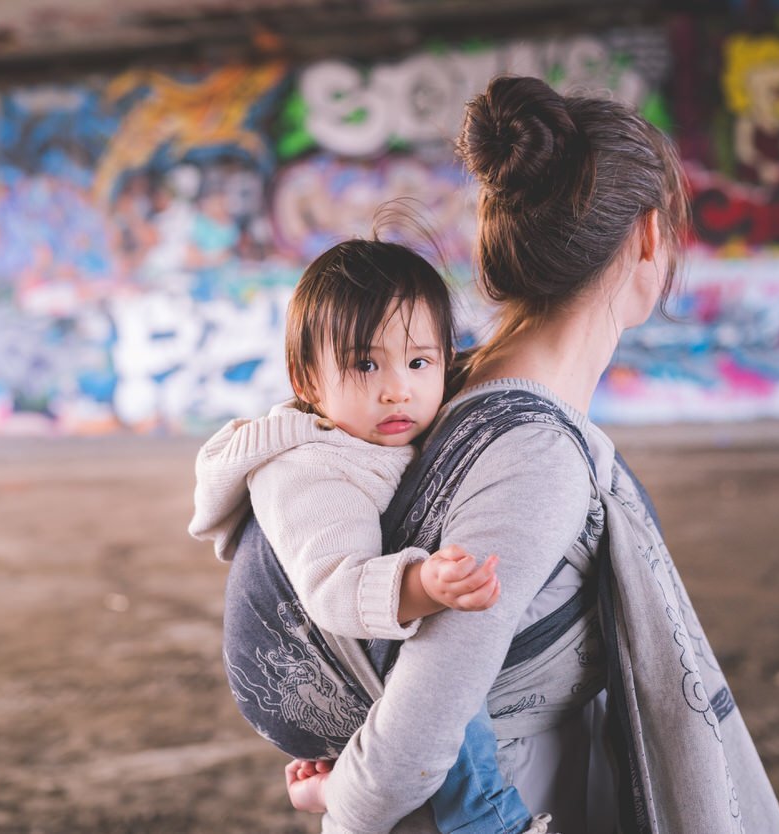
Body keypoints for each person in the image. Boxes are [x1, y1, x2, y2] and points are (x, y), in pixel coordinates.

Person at [280, 76, 779, 834]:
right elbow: (416, 736)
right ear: (647, 235)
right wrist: (344, 805)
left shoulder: (445, 390)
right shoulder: (536, 455)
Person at [188, 237, 551, 834]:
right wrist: (423, 584)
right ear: (307, 377)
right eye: (364, 364)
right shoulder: (310, 469)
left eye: (418, 362)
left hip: (327, 665)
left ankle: (336, 782)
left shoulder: (378, 426)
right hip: (297, 668)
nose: (396, 389)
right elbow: (336, 590)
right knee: (445, 682)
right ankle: (489, 821)